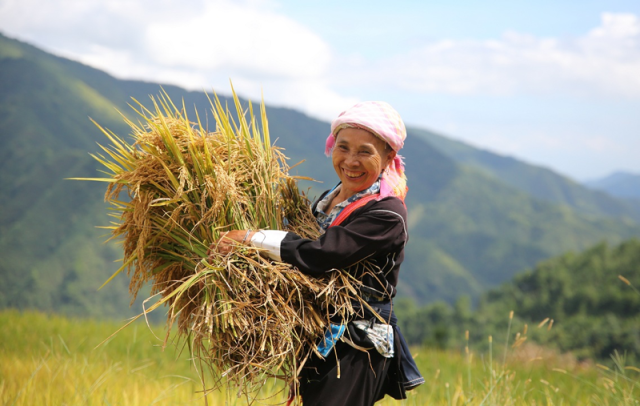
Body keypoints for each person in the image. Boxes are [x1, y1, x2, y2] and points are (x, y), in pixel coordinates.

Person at [215, 101, 424, 406]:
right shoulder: (330, 198)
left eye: (365, 151)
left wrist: (251, 238)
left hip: (357, 348)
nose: (351, 161)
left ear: (388, 155)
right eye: (343, 148)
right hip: (319, 339)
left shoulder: (387, 213)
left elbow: (319, 255)